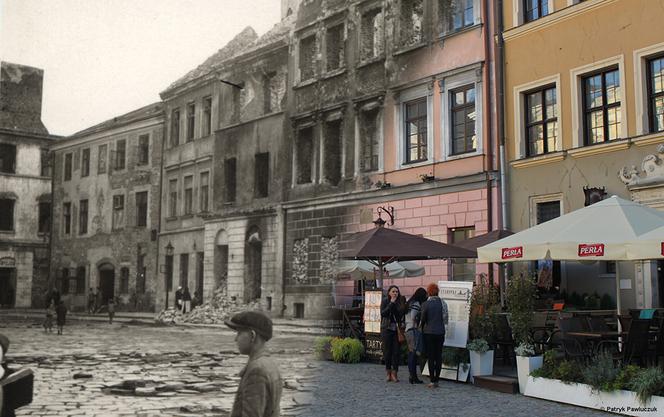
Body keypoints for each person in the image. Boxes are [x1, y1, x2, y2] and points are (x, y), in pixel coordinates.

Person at [224, 310, 282, 417]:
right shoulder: (269, 363)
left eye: (239, 333)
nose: (235, 339)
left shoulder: (256, 371)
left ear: (252, 336)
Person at [420, 282, 449, 388]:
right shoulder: (443, 303)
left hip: (429, 332)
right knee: (438, 356)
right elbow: (446, 318)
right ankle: (437, 379)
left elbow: (423, 319)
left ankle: (432, 380)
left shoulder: (425, 304)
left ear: (428, 292)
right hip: (440, 332)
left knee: (431, 357)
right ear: (438, 292)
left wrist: (421, 327)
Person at [380, 285, 406, 383]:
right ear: (389, 293)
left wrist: (395, 304)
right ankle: (388, 373)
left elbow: (399, 316)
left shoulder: (400, 302)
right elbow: (383, 313)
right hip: (386, 329)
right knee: (387, 352)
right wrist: (391, 303)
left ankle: (395, 374)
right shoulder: (385, 301)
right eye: (393, 291)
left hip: (396, 330)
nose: (395, 293)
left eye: (397, 292)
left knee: (396, 352)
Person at [405, 287, 428, 384]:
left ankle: (412, 376)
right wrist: (418, 326)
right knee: (413, 354)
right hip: (412, 330)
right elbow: (414, 316)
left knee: (411, 353)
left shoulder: (410, 302)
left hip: (407, 329)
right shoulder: (416, 304)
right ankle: (413, 376)